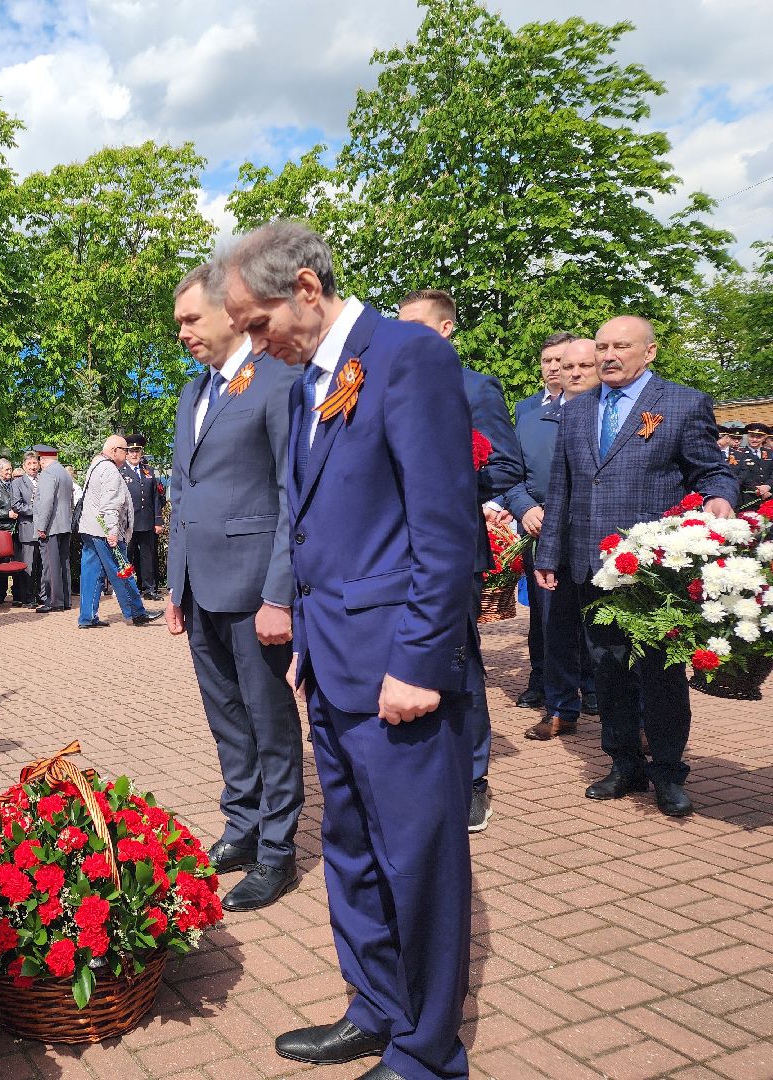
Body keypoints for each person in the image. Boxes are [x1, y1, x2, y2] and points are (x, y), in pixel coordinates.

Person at [223, 221, 478, 1080]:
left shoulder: (406, 356)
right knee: (353, 852)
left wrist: (420, 663)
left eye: (258, 324)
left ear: (305, 287)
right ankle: (374, 1007)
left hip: (397, 674)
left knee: (420, 863)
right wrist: (305, 633)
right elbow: (317, 525)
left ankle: (427, 1050)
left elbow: (444, 534)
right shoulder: (304, 387)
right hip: (330, 665)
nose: (254, 346)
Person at [536, 315, 738, 818]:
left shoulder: (681, 404)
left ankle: (668, 772)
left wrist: (720, 496)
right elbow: (561, 487)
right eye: (601, 346)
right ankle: (623, 763)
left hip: (654, 573)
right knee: (607, 670)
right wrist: (548, 554)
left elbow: (711, 469)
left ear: (648, 353)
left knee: (660, 674)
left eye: (620, 346)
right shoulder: (578, 411)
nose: (608, 355)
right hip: (591, 565)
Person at [165, 262, 302, 910]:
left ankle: (278, 850)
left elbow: (292, 495)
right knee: (226, 720)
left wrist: (280, 595)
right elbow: (182, 489)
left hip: (254, 591)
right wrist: (174, 584)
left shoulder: (278, 382)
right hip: (200, 587)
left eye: (191, 319)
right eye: (180, 323)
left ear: (230, 311)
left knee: (269, 721)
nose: (184, 332)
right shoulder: (193, 393)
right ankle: (242, 827)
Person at [396, 288, 524, 834]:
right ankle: (416, 773)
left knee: (457, 663)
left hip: (451, 552)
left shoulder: (473, 387)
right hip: (390, 554)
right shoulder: (382, 384)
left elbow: (506, 467)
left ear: (447, 330)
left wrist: (449, 475)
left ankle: (473, 780)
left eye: (417, 327)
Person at [504, 338, 599, 740]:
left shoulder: (610, 414)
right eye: (552, 362)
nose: (561, 369)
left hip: (600, 531)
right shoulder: (529, 417)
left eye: (572, 362)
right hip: (545, 530)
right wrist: (524, 507)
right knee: (551, 621)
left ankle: (601, 695)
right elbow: (512, 474)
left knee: (600, 623)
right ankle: (560, 704)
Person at [75, 435, 159, 629]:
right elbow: (111, 505)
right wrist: (112, 532)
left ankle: (87, 617)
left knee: (91, 573)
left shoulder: (96, 466)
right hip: (105, 531)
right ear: (114, 451)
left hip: (90, 528)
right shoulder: (110, 470)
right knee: (122, 571)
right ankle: (137, 612)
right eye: (124, 449)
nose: (128, 452)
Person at [121, 434, 165, 599]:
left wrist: (158, 520)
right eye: (131, 451)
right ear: (126, 453)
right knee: (127, 556)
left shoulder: (149, 471)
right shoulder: (121, 471)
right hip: (128, 523)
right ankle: (126, 589)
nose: (134, 454)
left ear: (141, 452)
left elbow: (155, 497)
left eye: (137, 451)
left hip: (146, 520)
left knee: (148, 556)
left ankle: (149, 589)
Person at [31, 445, 74, 611]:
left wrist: (41, 526)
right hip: (64, 524)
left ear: (43, 459)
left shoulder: (48, 473)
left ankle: (53, 601)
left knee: (50, 564)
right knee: (63, 562)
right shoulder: (64, 473)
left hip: (51, 526)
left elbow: (46, 502)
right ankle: (65, 599)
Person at [8, 451, 41, 606]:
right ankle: (27, 596)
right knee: (29, 564)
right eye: (29, 464)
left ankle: (41, 594)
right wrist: (37, 511)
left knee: (42, 565)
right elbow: (16, 504)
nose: (33, 467)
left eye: (35, 463)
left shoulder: (44, 479)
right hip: (28, 528)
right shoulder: (17, 483)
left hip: (45, 530)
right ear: (24, 466)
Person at [0, 457, 18, 604]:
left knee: (17, 560)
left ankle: (18, 592)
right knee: (1, 563)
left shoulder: (15, 484)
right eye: (6, 469)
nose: (9, 472)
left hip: (16, 529)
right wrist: (7, 514)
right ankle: (0, 593)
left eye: (10, 469)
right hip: (1, 530)